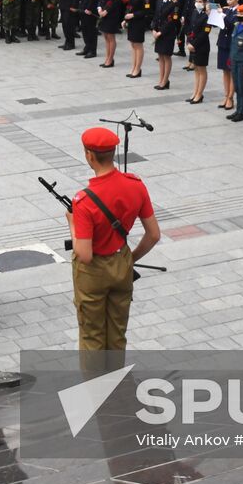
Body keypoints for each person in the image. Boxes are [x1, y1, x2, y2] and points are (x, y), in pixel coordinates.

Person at [69, 127, 160, 351]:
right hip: (122, 263)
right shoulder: (136, 185)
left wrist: (71, 222)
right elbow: (154, 234)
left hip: (93, 273)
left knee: (93, 336)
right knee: (117, 334)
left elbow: (85, 254)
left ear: (89, 155)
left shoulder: (84, 202)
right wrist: (130, 258)